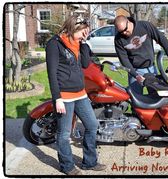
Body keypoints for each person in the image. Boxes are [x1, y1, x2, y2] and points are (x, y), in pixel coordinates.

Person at [46, 14, 106, 175]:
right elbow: (51, 73)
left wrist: (85, 42)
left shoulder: (79, 43)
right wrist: (57, 98)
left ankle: (89, 162)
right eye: (82, 33)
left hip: (80, 94)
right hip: (64, 96)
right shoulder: (54, 44)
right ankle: (67, 166)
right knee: (65, 134)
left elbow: (86, 63)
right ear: (73, 28)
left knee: (92, 125)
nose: (84, 35)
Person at [114, 15, 168, 95]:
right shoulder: (118, 39)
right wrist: (135, 75)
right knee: (136, 100)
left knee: (156, 96)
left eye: (125, 30)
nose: (124, 33)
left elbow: (161, 39)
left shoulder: (145, 26)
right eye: (121, 32)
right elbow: (124, 60)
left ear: (128, 22)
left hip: (151, 69)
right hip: (135, 71)